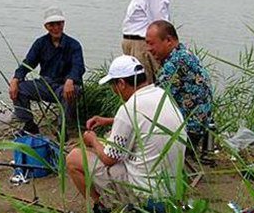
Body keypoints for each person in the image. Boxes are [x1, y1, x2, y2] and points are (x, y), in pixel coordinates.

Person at [66, 55, 185, 211]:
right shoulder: (162, 95)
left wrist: (92, 139)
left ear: (121, 83)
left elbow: (109, 159)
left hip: (144, 193)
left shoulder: (129, 108)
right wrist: (109, 121)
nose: (113, 90)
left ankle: (101, 206)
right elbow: (144, 122)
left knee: (74, 158)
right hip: (172, 189)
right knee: (110, 142)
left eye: (113, 85)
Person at [9, 7, 85, 134]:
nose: (55, 28)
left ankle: (62, 128)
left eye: (58, 24)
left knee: (72, 91)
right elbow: (28, 64)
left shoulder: (74, 45)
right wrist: (15, 79)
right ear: (46, 26)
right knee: (19, 88)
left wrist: (70, 80)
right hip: (45, 85)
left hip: (64, 86)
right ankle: (29, 124)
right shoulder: (40, 43)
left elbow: (79, 67)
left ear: (63, 24)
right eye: (51, 25)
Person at [146, 20, 213, 149]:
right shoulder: (184, 54)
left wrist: (118, 120)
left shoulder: (175, 63)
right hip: (198, 127)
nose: (148, 49)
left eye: (151, 43)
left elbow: (153, 103)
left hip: (188, 132)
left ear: (168, 41)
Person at [118, 0, 170, 84]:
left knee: (144, 88)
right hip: (136, 48)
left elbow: (160, 25)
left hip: (142, 49)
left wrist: (155, 52)